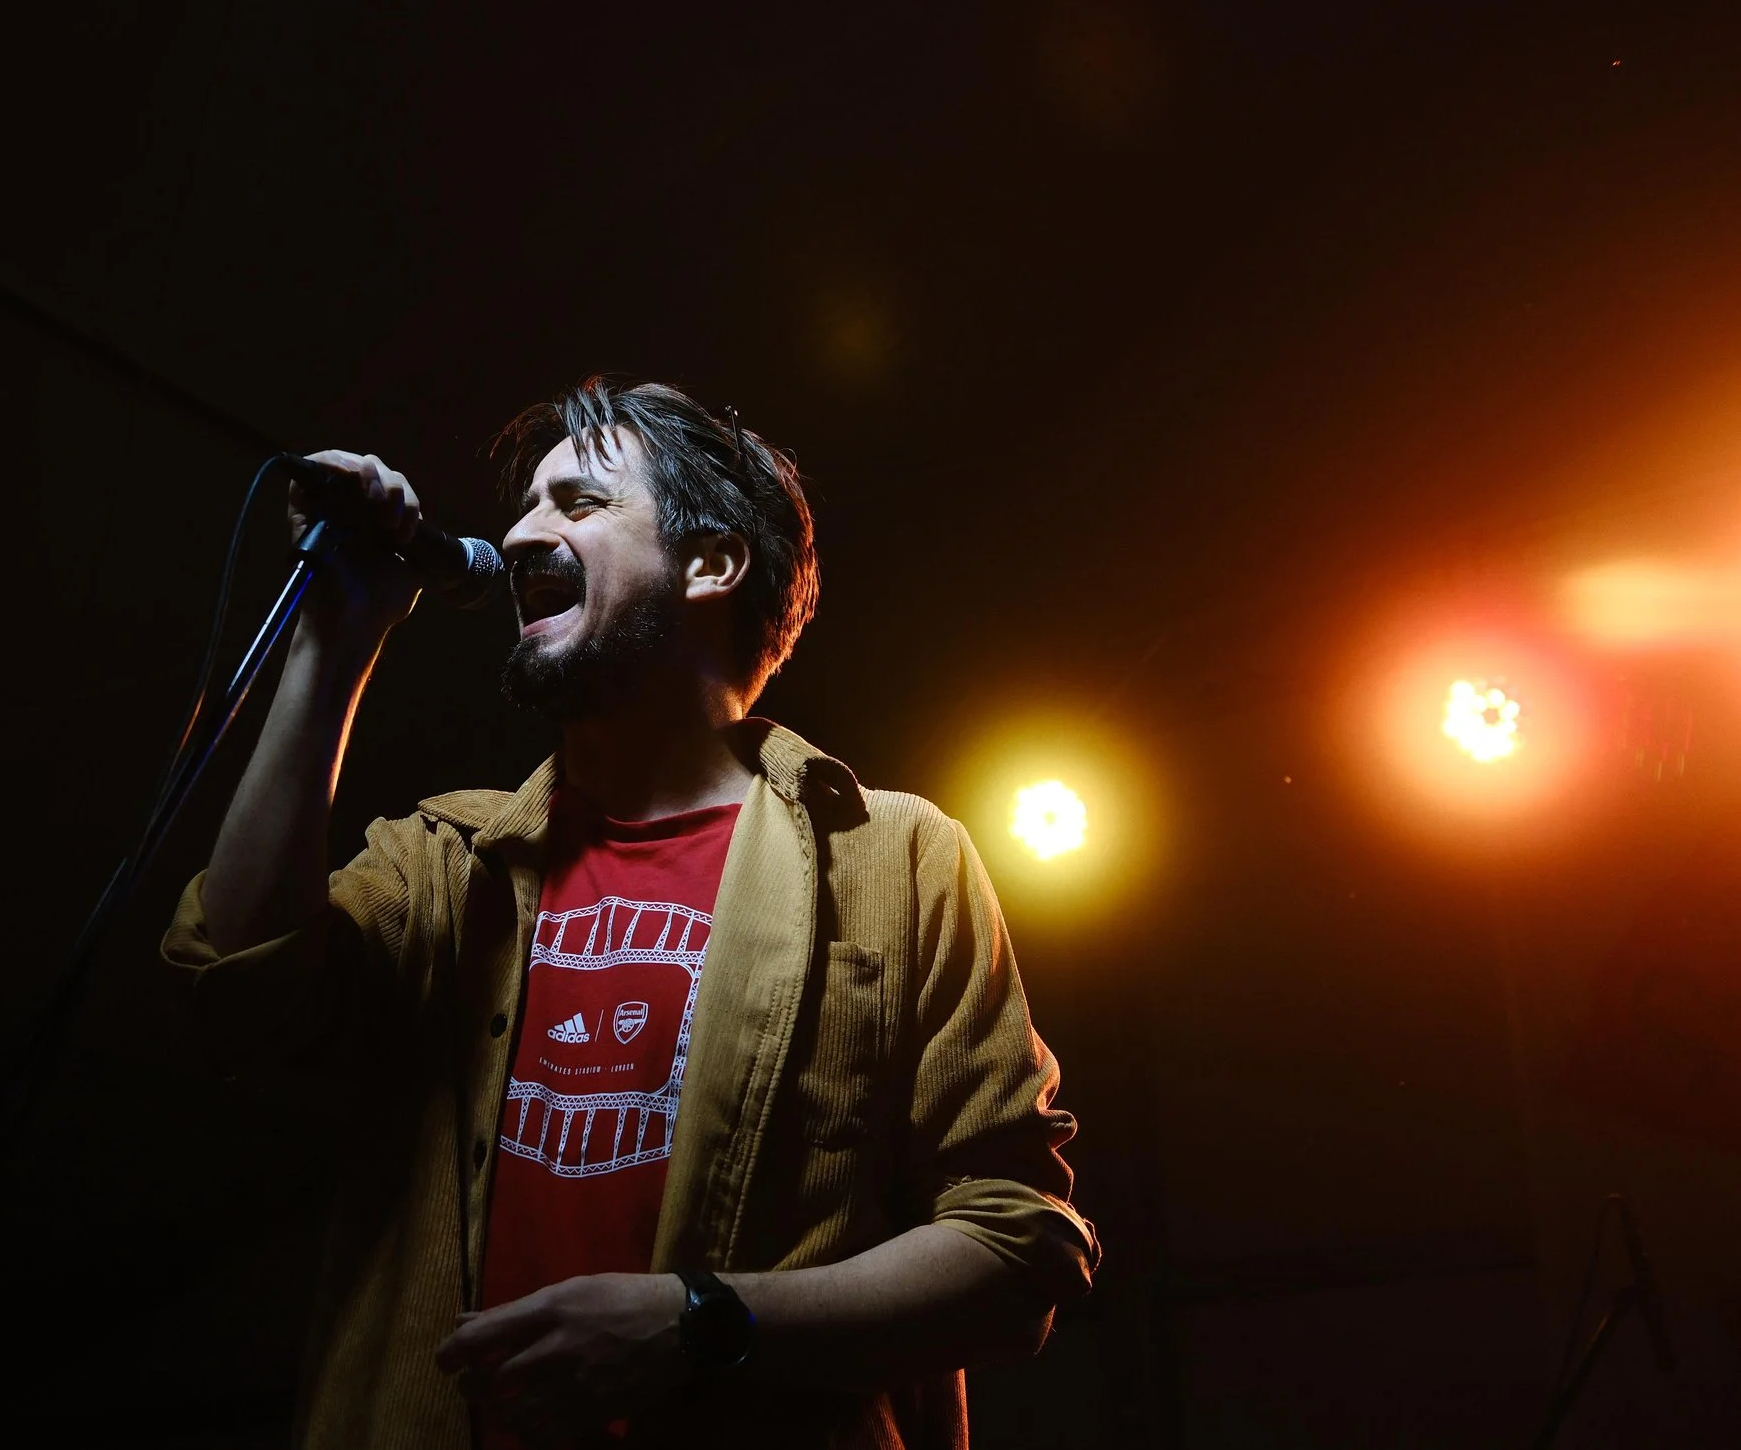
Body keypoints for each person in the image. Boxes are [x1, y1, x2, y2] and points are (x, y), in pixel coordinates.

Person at [164, 378, 1098, 1449]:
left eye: (578, 501)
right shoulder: (445, 857)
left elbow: (1016, 1246)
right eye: (523, 504)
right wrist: (334, 643)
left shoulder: (893, 854)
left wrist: (701, 1318)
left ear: (711, 563)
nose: (518, 531)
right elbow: (228, 993)